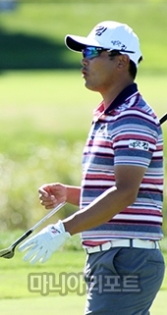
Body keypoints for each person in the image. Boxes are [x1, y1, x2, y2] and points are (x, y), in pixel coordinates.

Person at [18, 21, 164, 314]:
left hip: (126, 260)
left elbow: (125, 193)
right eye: (84, 51)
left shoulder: (132, 118)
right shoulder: (108, 116)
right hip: (111, 258)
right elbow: (115, 189)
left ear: (121, 61)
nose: (84, 58)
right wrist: (70, 195)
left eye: (94, 51)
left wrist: (63, 229)